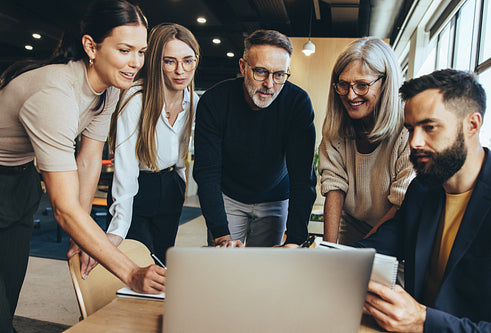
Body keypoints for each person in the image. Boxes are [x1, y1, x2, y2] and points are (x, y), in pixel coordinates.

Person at [0, 1, 165, 331]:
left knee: (10, 295)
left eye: (141, 52)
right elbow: (63, 210)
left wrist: (82, 236)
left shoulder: (108, 88)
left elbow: (88, 158)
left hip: (20, 186)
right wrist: (130, 272)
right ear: (92, 46)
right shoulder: (55, 93)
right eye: (124, 50)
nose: (135, 63)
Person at [354, 69, 491, 331]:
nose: (414, 142)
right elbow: (375, 246)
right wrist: (310, 257)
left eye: (429, 127)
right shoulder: (422, 189)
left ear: (472, 125)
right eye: (410, 129)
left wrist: (424, 322)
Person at [193, 29, 316, 248]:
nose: (269, 84)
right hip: (229, 196)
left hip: (275, 196)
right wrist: (221, 235)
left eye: (279, 75)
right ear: (243, 67)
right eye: (260, 72)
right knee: (225, 266)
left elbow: (302, 177)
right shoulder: (215, 101)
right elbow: (207, 173)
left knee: (265, 271)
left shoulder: (297, 104)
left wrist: (295, 241)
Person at [104, 23, 199, 264]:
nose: (181, 70)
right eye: (170, 61)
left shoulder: (193, 101)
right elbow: (125, 167)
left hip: (170, 187)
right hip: (138, 187)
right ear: (156, 61)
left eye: (188, 60)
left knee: (162, 263)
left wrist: (180, 183)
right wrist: (118, 227)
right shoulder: (136, 98)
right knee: (139, 264)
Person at [318, 37, 414, 245]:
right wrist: (329, 248)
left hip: (396, 225)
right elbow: (334, 187)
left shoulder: (408, 128)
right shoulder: (337, 126)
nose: (351, 96)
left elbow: (400, 202)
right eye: (343, 85)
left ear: (386, 83)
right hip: (352, 223)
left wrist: (362, 249)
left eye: (362, 85)